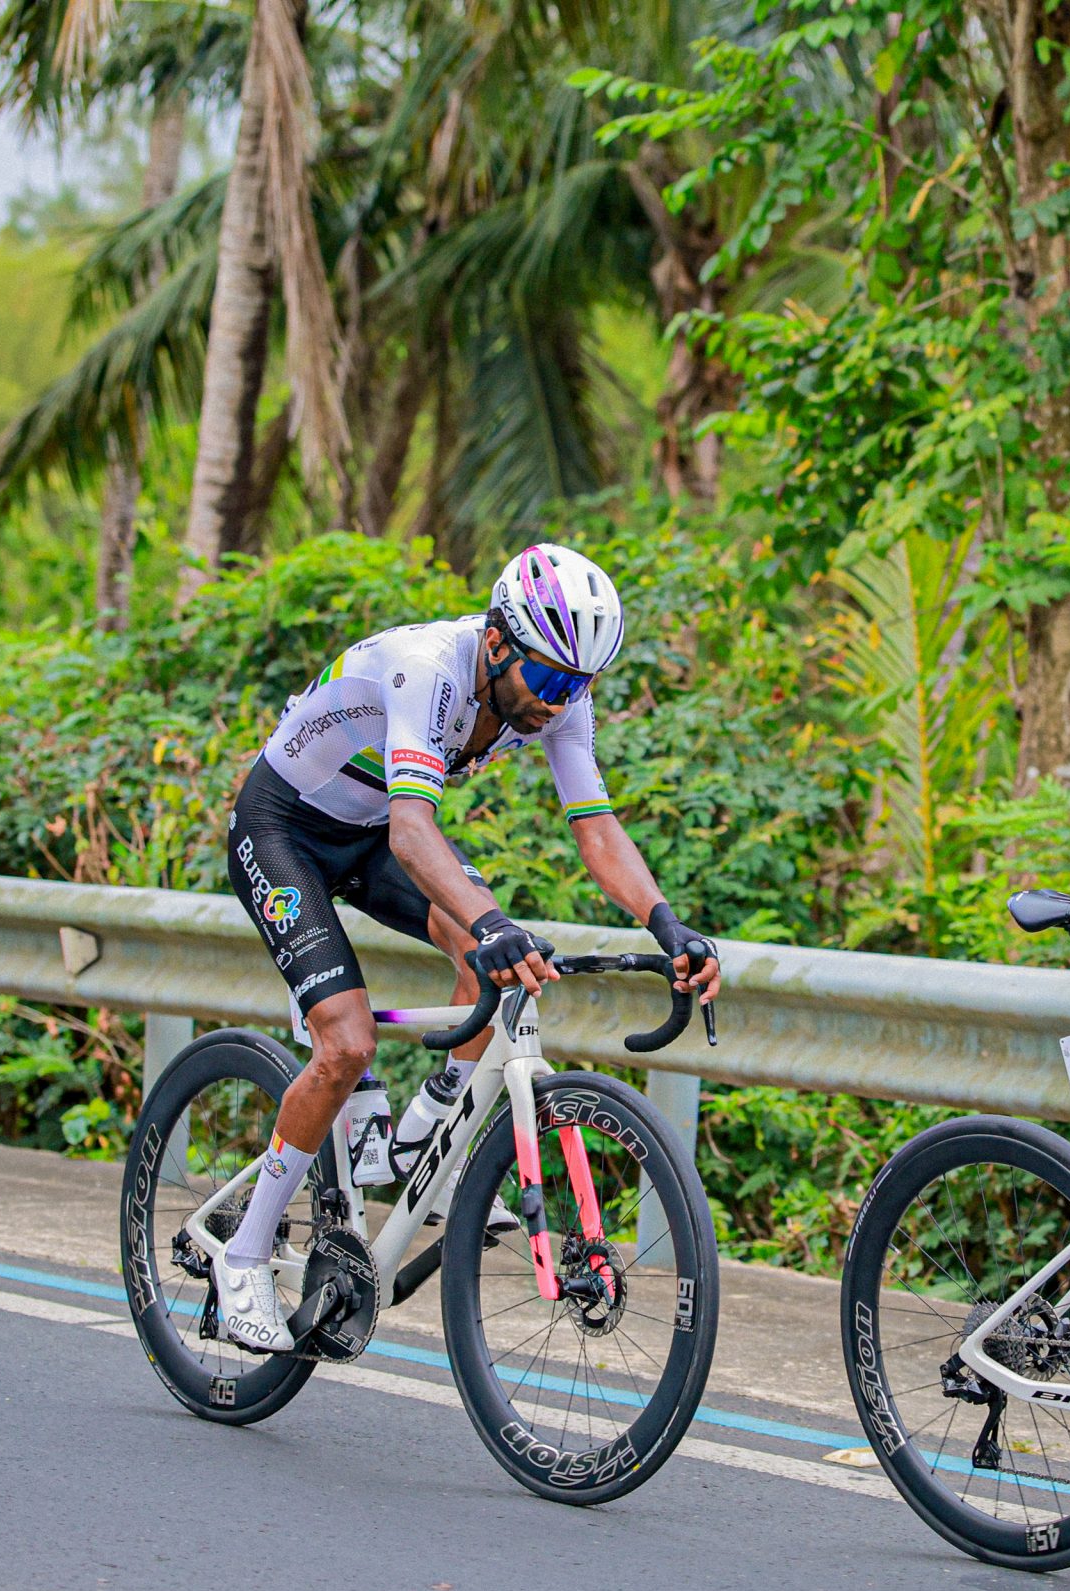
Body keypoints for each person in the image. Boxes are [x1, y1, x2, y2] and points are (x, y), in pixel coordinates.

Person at [216, 542, 721, 1353]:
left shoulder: (554, 692)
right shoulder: (430, 668)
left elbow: (594, 828)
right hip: (286, 830)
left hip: (373, 832)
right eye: (549, 682)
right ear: (495, 642)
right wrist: (487, 922)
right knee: (347, 1042)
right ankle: (242, 1258)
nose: (559, 705)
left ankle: (424, 1129)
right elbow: (415, 830)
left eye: (578, 688)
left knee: (501, 965)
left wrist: (667, 921)